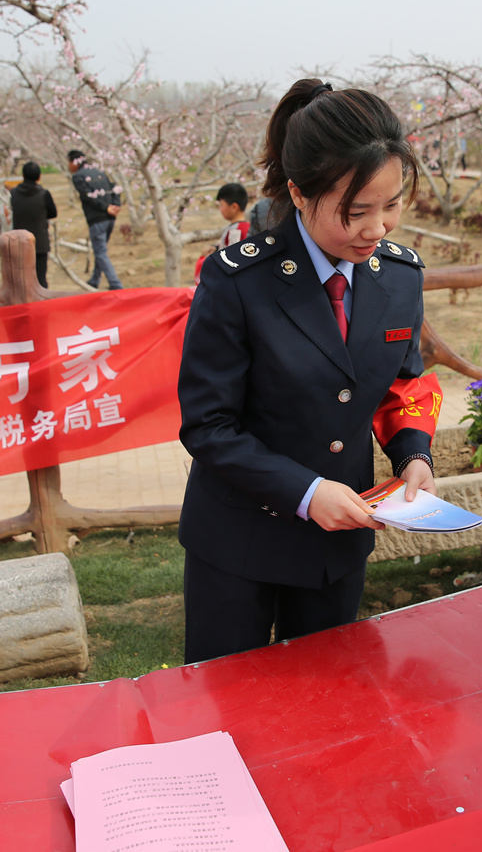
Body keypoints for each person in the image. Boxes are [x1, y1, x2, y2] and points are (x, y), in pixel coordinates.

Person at [177, 80, 438, 664]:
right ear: (298, 192)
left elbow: (403, 382)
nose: (377, 229)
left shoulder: (398, 276)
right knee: (226, 707)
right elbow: (208, 426)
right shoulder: (238, 281)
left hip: (337, 548)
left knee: (324, 706)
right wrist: (306, 491)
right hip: (238, 540)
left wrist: (414, 457)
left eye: (391, 205)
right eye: (355, 212)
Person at [67, 149, 123, 290]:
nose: (68, 166)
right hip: (110, 218)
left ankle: (116, 284)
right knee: (100, 250)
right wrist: (115, 205)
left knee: (100, 252)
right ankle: (94, 280)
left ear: (74, 161)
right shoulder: (99, 172)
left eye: (68, 162)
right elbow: (115, 188)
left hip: (97, 218)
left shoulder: (78, 177)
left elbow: (87, 196)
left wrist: (105, 208)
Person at [10, 161, 58, 288]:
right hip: (39, 242)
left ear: (23, 175)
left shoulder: (14, 193)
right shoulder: (44, 194)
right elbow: (53, 213)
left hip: (19, 242)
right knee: (40, 279)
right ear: (39, 176)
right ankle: (41, 307)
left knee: (22, 279)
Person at [193, 183, 251, 282]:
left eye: (221, 205)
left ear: (234, 207)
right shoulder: (243, 227)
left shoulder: (236, 230)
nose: (220, 209)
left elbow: (232, 257)